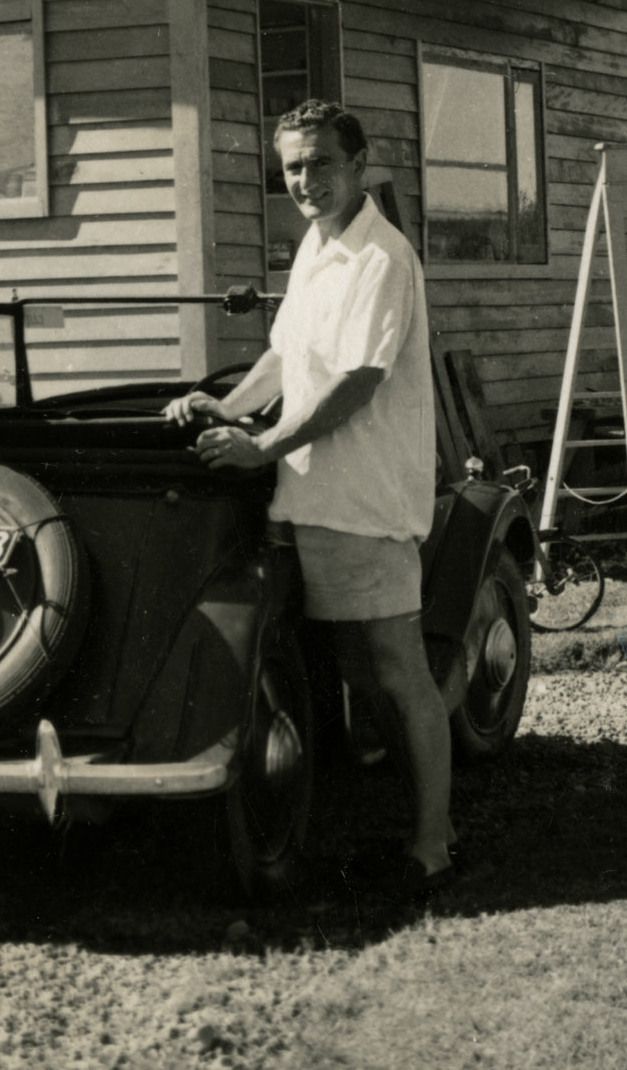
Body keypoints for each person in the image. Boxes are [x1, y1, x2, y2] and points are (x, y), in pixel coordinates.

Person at [164, 99, 452, 895]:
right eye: (292, 166)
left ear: (359, 165)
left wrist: (261, 446)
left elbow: (356, 382)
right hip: (311, 496)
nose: (304, 179)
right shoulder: (316, 248)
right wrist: (227, 405)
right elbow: (286, 356)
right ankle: (401, 817)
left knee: (397, 670)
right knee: (356, 668)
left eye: (321, 162)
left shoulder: (380, 258)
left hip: (367, 499)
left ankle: (434, 844)